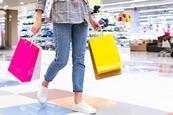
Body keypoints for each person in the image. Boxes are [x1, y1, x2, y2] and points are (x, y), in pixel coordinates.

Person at [32, 0, 101, 114]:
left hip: (82, 17)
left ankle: (78, 102)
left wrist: (91, 19)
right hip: (61, 16)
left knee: (79, 60)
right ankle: (45, 83)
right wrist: (37, 19)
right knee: (61, 60)